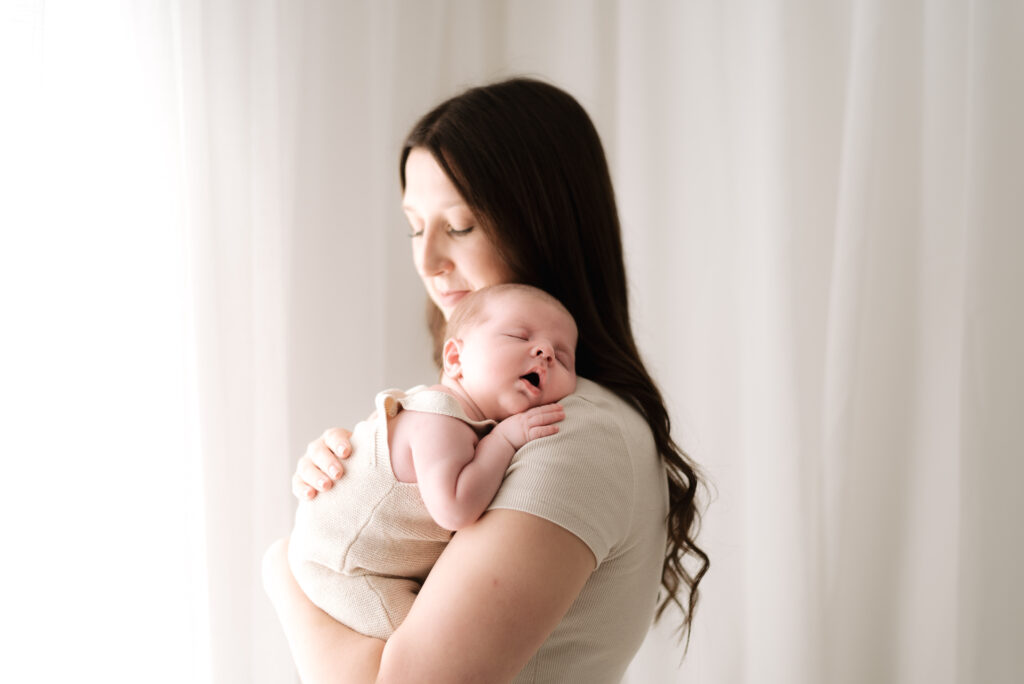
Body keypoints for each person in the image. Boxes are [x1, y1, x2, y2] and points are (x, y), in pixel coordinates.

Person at [263, 77, 709, 683]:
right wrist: (361, 482)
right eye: (416, 226)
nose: (427, 262)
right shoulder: (498, 416)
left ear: (544, 223)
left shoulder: (565, 430)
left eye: (462, 226)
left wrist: (286, 570)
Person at [288, 283, 577, 640]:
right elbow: (454, 509)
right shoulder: (441, 415)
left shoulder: (464, 422)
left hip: (363, 562)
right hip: (344, 570)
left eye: (563, 357)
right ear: (455, 359)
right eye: (519, 336)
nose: (545, 352)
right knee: (433, 644)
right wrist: (503, 440)